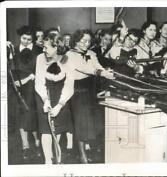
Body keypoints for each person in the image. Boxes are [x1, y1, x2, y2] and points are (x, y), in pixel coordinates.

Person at [66, 29, 114, 163]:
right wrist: (100, 72)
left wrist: (106, 71)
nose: (86, 44)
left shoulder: (91, 53)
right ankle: (82, 156)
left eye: (88, 41)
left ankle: (86, 150)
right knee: (81, 123)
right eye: (83, 41)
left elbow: (97, 66)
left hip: (90, 88)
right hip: (77, 91)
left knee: (91, 123)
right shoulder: (70, 54)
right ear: (76, 41)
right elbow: (84, 68)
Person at [35, 33, 74, 164]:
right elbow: (39, 82)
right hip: (43, 93)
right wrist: (45, 100)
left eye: (46, 47)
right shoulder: (40, 58)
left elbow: (69, 86)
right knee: (46, 129)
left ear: (56, 47)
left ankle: (56, 157)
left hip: (61, 95)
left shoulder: (68, 60)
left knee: (57, 128)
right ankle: (48, 161)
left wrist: (59, 105)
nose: (43, 50)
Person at [12, 25, 41, 160]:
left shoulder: (38, 51)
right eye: (23, 38)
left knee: (31, 115)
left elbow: (39, 71)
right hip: (17, 87)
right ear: (20, 37)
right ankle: (25, 146)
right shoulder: (13, 50)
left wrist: (27, 79)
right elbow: (11, 69)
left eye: (29, 39)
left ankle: (37, 143)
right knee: (20, 116)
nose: (25, 41)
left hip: (31, 86)